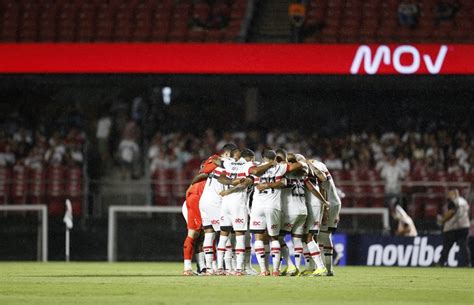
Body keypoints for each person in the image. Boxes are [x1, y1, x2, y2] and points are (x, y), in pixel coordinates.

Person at [216, 149, 276, 276]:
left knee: (223, 235)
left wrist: (230, 184)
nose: (254, 161)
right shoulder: (248, 165)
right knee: (240, 235)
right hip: (238, 203)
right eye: (253, 158)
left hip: (225, 204)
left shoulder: (229, 163)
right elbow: (250, 177)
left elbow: (220, 178)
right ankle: (239, 269)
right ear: (249, 157)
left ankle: (220, 268)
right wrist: (270, 164)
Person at [246, 149, 303, 276]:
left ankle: (263, 270)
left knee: (258, 237)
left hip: (257, 206)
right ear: (275, 158)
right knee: (274, 237)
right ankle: (276, 270)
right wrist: (298, 159)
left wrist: (268, 166)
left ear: (262, 157)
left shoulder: (256, 167)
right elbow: (299, 165)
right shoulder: (280, 168)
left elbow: (253, 171)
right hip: (273, 206)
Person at [437, 189, 471, 267]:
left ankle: (441, 262)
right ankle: (467, 263)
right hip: (464, 226)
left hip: (453, 227)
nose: (449, 196)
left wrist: (442, 220)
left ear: (454, 194)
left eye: (450, 194)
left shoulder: (454, 202)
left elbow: (451, 212)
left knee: (447, 246)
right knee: (464, 246)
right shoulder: (464, 201)